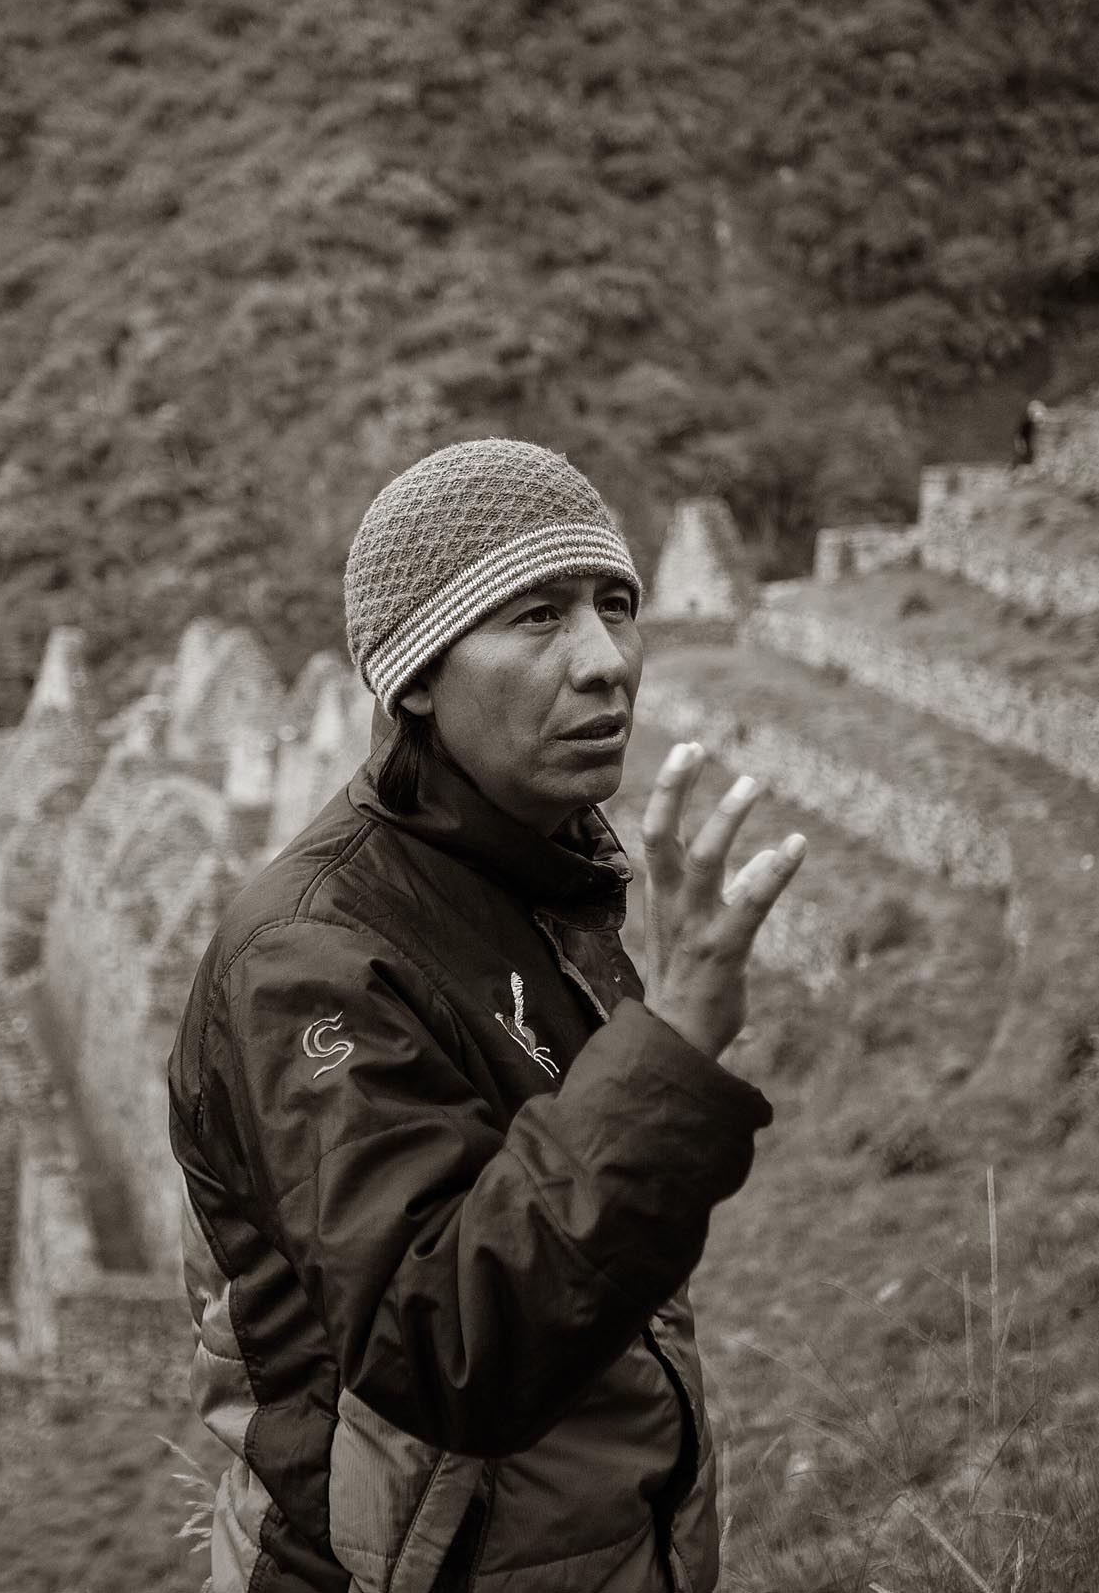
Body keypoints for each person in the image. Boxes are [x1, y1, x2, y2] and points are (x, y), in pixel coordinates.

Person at [167, 438, 809, 1592]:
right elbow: (445, 1341)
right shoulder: (311, 961)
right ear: (416, 675)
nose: (609, 659)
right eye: (537, 616)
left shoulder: (538, 885)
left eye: (617, 604)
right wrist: (669, 1048)